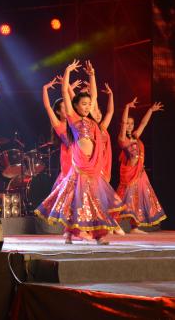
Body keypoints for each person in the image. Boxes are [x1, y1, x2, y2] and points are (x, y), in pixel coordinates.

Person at [35, 60, 124, 244]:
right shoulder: (73, 119)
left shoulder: (93, 123)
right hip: (79, 165)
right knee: (77, 201)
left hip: (93, 166)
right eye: (83, 104)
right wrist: (67, 72)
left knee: (95, 200)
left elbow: (94, 97)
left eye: (89, 104)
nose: (87, 106)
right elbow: (64, 94)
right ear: (75, 106)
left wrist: (92, 75)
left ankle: (98, 234)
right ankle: (71, 232)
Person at [117, 98, 167, 233]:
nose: (129, 126)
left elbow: (143, 123)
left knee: (138, 199)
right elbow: (123, 122)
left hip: (140, 173)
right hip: (129, 173)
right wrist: (127, 107)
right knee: (124, 199)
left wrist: (150, 110)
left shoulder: (135, 136)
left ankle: (135, 227)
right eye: (127, 123)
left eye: (131, 123)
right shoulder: (122, 139)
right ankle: (112, 225)